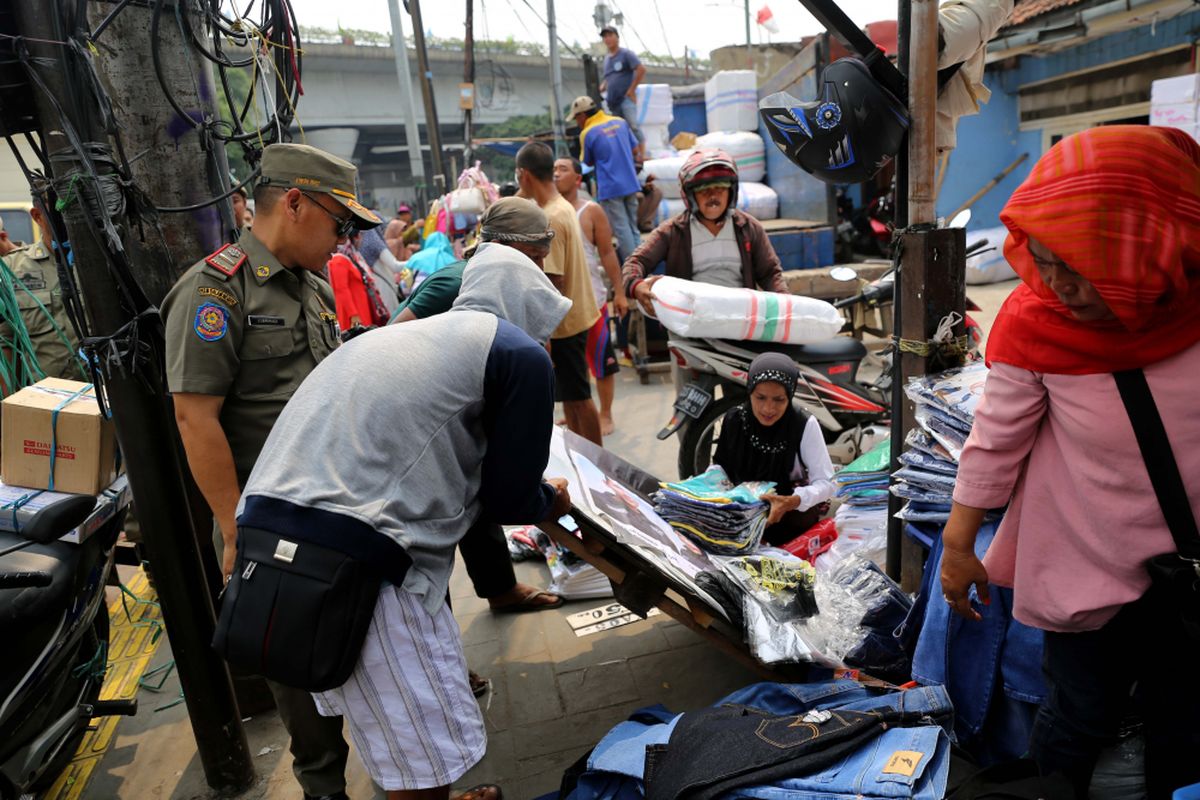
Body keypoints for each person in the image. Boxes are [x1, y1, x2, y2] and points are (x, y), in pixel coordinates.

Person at [235, 228, 574, 800]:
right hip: (355, 559)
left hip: (269, 536)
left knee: (384, 717)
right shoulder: (517, 352)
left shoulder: (406, 337)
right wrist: (552, 502)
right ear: (529, 307)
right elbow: (510, 499)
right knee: (415, 741)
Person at [939, 126, 1200, 798]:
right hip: (1090, 570)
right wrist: (959, 543)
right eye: (1043, 259)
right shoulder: (1035, 320)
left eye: (1078, 264)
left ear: (1145, 240)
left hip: (1191, 576)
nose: (1056, 284)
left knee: (1183, 722)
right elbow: (994, 443)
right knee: (1078, 716)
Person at [162, 143, 382, 800]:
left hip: (334, 508)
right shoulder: (213, 291)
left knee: (358, 655)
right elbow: (194, 419)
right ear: (293, 203)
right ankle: (325, 791)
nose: (343, 239)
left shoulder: (312, 288)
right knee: (301, 684)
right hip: (266, 525)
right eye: (338, 222)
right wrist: (233, 530)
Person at [391, 198, 566, 615]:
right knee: (425, 545)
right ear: (514, 251)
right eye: (537, 258)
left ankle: (499, 588)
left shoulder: (500, 284)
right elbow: (395, 340)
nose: (539, 272)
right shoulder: (457, 284)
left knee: (476, 493)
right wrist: (538, 501)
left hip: (461, 415)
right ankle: (438, 656)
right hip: (416, 430)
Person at [623, 148, 789, 317]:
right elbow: (636, 262)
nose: (713, 196)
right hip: (691, 326)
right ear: (690, 196)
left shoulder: (749, 227)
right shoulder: (673, 231)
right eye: (704, 190)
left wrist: (785, 304)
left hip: (741, 321)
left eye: (720, 188)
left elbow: (770, 273)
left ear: (731, 191)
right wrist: (636, 286)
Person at [515, 141, 604, 446]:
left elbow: (553, 281)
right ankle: (584, 459)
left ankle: (600, 468)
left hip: (565, 322)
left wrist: (544, 336)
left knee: (580, 399)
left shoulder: (550, 217)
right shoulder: (559, 205)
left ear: (524, 174)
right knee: (573, 398)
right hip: (575, 313)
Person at [713, 353, 834, 544]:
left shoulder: (803, 424)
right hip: (740, 521)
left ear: (790, 395)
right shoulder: (734, 420)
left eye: (779, 400)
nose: (768, 408)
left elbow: (828, 484)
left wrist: (792, 501)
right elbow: (721, 468)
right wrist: (706, 487)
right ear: (749, 391)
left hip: (791, 523)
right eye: (760, 397)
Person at [553, 156, 627, 436]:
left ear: (578, 178)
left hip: (593, 300)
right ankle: (576, 410)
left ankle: (605, 414)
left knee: (601, 361)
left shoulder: (591, 210)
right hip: (561, 304)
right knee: (570, 365)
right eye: (553, 170)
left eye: (563, 169)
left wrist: (619, 293)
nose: (557, 174)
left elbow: (607, 253)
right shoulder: (546, 210)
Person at [0, 194, 86, 387]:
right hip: (48, 401)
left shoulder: (102, 264)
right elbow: (6, 345)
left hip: (109, 401)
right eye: (58, 214)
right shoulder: (12, 271)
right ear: (38, 216)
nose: (67, 221)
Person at [571, 95, 642, 264]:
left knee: (622, 230)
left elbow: (587, 161)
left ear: (582, 116)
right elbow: (635, 149)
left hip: (610, 187)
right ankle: (643, 265)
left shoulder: (587, 133)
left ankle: (634, 271)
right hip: (631, 182)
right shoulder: (620, 122)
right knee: (633, 228)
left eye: (576, 118)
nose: (576, 122)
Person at [598, 26, 646, 159]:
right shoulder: (607, 59)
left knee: (633, 126)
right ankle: (629, 155)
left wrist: (631, 90)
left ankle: (643, 154)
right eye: (605, 36)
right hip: (613, 102)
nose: (608, 39)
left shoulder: (626, 54)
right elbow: (608, 77)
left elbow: (641, 69)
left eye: (610, 35)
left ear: (617, 37)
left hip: (625, 99)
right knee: (620, 130)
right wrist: (603, 85)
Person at [327, 233, 391, 331]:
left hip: (361, 309)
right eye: (358, 235)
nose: (360, 239)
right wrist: (353, 315)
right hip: (355, 314)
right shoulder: (339, 259)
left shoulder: (351, 257)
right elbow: (341, 290)